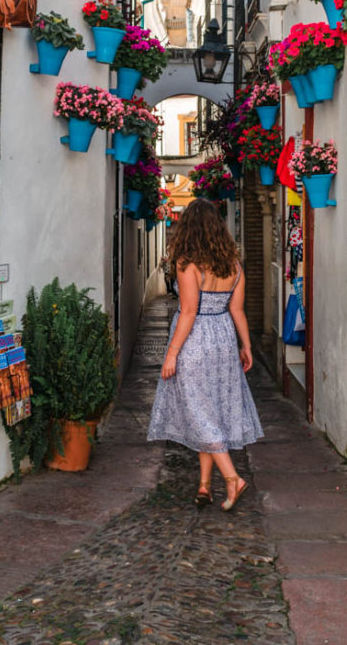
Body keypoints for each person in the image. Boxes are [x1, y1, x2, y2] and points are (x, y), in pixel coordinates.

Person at [147, 199, 263, 511]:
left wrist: (171, 354)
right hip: (224, 338)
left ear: (189, 229)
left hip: (195, 340)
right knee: (210, 410)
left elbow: (187, 312)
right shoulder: (233, 265)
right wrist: (246, 346)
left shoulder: (188, 263)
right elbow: (237, 310)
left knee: (199, 411)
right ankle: (203, 486)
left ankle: (231, 477)